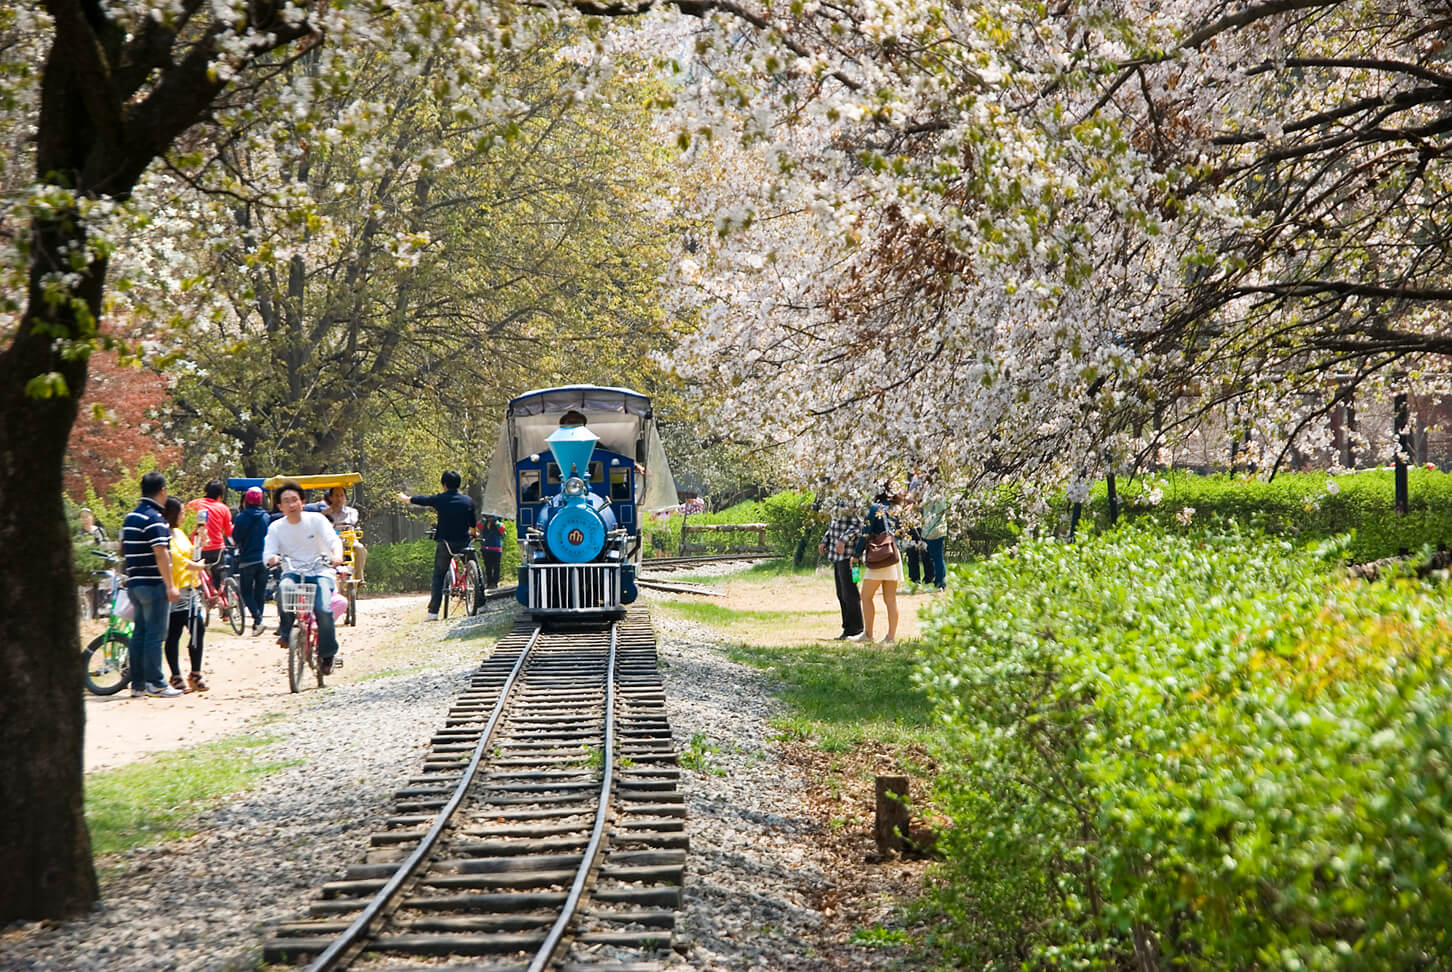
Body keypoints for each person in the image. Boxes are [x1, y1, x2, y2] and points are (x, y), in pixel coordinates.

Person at [264, 481, 345, 675]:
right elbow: (268, 552)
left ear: (302, 502)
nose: (291, 505)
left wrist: (337, 555)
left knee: (323, 609)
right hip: (292, 570)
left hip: (320, 571)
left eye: (294, 500)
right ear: (279, 506)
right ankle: (286, 631)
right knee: (284, 590)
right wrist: (272, 558)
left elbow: (333, 540)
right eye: (286, 501)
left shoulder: (316, 520)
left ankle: (327, 654)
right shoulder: (276, 527)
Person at [121, 472, 183, 698]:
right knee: (154, 635)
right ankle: (156, 682)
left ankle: (137, 684)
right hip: (154, 584)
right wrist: (171, 585)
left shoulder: (131, 518)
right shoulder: (155, 518)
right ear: (163, 491)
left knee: (139, 633)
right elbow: (161, 554)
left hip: (135, 583)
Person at [398, 470, 476, 620]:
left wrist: (407, 499)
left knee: (439, 576)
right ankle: (482, 603)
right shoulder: (468, 501)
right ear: (458, 484)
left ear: (444, 485)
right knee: (475, 569)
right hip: (464, 542)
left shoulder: (440, 499)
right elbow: (472, 522)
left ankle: (433, 613)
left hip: (445, 543)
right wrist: (473, 531)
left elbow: (423, 500)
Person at [162, 497, 209, 693]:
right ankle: (175, 675)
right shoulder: (164, 534)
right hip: (174, 590)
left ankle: (195, 673)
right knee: (174, 634)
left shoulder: (179, 533)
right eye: (181, 512)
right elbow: (175, 558)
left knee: (198, 630)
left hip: (190, 589)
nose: (183, 516)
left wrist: (201, 540)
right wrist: (195, 566)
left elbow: (191, 553)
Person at [851, 486, 903, 644]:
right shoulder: (896, 509)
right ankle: (891, 636)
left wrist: (856, 554)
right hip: (893, 555)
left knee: (865, 596)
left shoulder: (875, 508)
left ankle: (868, 634)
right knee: (890, 599)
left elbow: (865, 532)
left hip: (879, 557)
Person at [818, 499, 864, 640]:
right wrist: (825, 540)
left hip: (850, 558)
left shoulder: (854, 499)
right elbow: (834, 526)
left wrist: (843, 539)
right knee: (841, 593)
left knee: (850, 593)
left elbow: (859, 526)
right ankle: (847, 628)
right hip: (837, 557)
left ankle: (856, 628)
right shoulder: (837, 499)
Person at [233, 486, 270, 634]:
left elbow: (236, 537)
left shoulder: (241, 517)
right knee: (259, 592)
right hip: (264, 559)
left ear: (246, 500)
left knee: (246, 591)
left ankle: (258, 619)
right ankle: (257, 625)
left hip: (247, 559)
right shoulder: (266, 517)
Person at [312, 485, 367, 584]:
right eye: (336, 496)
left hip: (347, 541)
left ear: (345, 498)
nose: (339, 498)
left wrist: (336, 525)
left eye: (342, 495)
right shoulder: (324, 514)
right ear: (331, 498)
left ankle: (359, 579)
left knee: (359, 548)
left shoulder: (352, 512)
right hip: (330, 543)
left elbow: (351, 522)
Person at [186, 480, 233, 590]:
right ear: (220, 495)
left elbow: (185, 525)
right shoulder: (223, 508)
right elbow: (229, 532)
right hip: (217, 549)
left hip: (198, 548)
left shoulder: (193, 504)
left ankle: (200, 596)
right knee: (218, 574)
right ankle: (221, 598)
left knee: (196, 576)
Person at [920, 475, 949, 592]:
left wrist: (934, 530)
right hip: (928, 529)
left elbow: (940, 513)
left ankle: (940, 583)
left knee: (937, 557)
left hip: (935, 530)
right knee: (934, 556)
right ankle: (938, 581)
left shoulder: (937, 493)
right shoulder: (928, 491)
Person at [479, 514, 505, 589]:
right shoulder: (484, 522)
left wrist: (496, 522)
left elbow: (502, 529)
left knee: (496, 567)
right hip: (486, 548)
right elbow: (479, 526)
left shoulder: (498, 523)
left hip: (496, 548)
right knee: (488, 567)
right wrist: (484, 519)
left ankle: (495, 583)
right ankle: (489, 582)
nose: (490, 518)